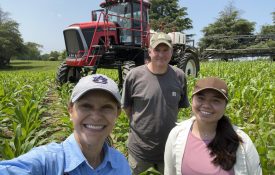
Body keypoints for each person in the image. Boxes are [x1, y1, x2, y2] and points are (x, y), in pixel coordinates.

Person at [0, 74, 131, 175]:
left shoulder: (120, 163)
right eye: (86, 106)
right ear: (70, 110)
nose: (96, 117)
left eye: (106, 107)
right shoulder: (47, 162)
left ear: (117, 113)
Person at [122, 32, 189, 174]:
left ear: (171, 52)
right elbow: (128, 108)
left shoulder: (179, 76)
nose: (161, 54)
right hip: (140, 152)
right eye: (157, 50)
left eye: (166, 50)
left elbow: (178, 108)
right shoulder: (134, 76)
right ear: (150, 51)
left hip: (169, 151)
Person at [164, 77, 262, 175]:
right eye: (201, 98)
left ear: (225, 106)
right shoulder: (176, 135)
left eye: (215, 101)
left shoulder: (243, 142)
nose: (206, 105)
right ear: (192, 100)